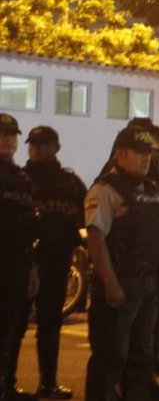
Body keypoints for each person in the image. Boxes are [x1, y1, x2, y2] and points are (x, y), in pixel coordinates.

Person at [84, 125, 159, 401]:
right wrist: (110, 283)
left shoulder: (152, 190)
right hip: (120, 282)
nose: (145, 158)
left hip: (149, 281)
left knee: (141, 354)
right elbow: (96, 239)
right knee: (110, 355)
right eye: (138, 152)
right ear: (121, 154)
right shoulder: (104, 190)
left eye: (148, 152)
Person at [11, 126, 85, 400]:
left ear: (56, 146)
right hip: (23, 262)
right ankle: (7, 385)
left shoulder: (70, 182)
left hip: (57, 263)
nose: (37, 148)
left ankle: (49, 383)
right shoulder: (20, 179)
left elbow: (87, 215)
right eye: (33, 143)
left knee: (50, 324)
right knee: (15, 325)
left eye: (44, 143)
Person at [0, 114, 37, 401]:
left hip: (18, 265)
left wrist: (32, 269)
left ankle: (7, 386)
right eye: (2, 134)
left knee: (12, 330)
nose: (7, 139)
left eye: (12, 134)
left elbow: (29, 227)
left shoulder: (22, 178)